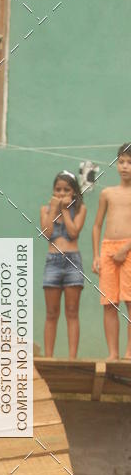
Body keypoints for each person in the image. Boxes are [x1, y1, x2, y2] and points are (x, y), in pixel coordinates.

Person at [40, 171, 87, 358]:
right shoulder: (45, 209)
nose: (61, 193)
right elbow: (46, 233)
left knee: (72, 311)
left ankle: (72, 357)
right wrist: (53, 210)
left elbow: (74, 232)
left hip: (72, 262)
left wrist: (66, 210)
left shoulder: (80, 209)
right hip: (52, 262)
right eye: (58, 189)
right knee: (51, 312)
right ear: (53, 191)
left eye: (66, 190)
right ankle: (49, 356)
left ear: (74, 192)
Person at [92, 142, 131, 359]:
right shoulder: (107, 193)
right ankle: (113, 353)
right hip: (108, 249)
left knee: (130, 301)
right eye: (121, 162)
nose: (125, 166)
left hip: (129, 249)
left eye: (129, 163)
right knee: (109, 303)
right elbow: (97, 225)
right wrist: (97, 255)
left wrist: (125, 248)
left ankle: (129, 351)